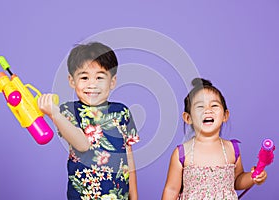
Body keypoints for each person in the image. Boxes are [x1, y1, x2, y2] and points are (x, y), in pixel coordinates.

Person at [38, 42, 140, 200]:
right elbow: (82, 144)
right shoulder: (66, 111)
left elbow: (129, 158)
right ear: (72, 81)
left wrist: (134, 196)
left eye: (100, 77)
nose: (92, 84)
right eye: (84, 77)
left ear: (112, 81)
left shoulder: (122, 112)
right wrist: (54, 114)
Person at [162, 78, 268, 200]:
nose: (208, 110)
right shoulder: (182, 153)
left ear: (225, 115)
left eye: (214, 105)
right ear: (188, 118)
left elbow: (237, 181)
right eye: (200, 107)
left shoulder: (231, 149)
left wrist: (253, 177)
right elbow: (171, 190)